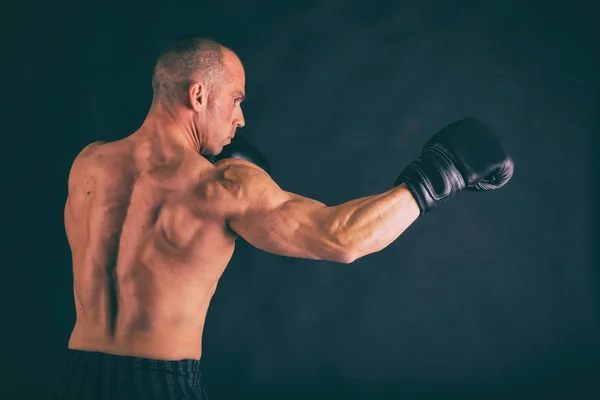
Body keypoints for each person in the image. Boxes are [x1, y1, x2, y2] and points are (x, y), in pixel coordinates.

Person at [52, 35, 514, 399]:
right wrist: (439, 173)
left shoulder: (88, 164)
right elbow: (340, 238)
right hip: (159, 384)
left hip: (75, 378)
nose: (241, 119)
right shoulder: (221, 186)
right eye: (235, 99)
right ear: (198, 94)